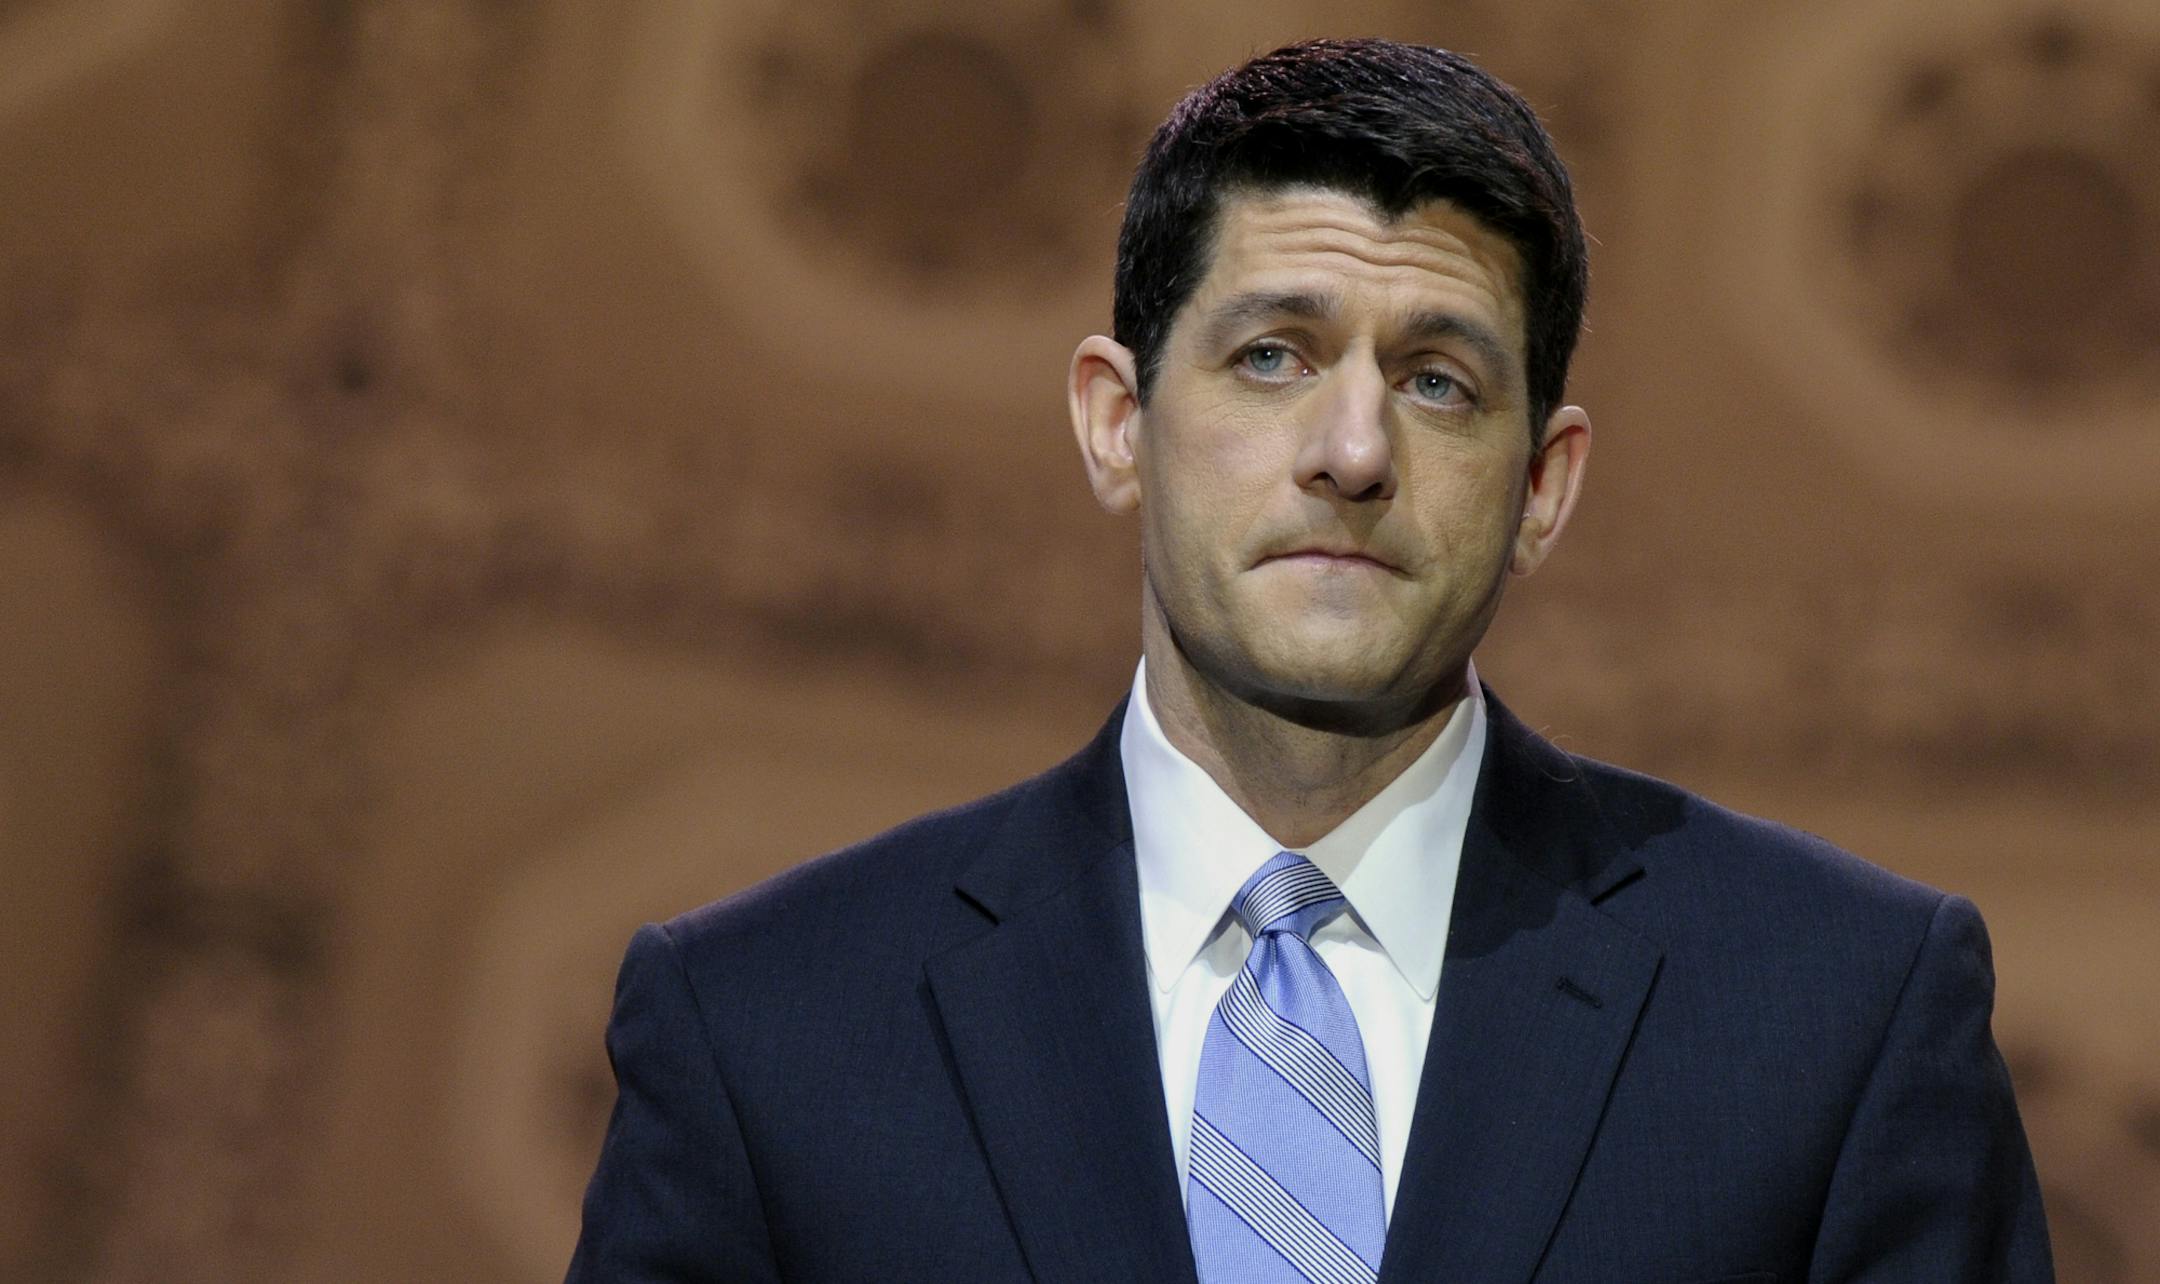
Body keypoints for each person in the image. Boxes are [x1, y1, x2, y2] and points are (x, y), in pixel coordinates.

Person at [567, 37, 2052, 1283]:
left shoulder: (1839, 1016)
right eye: (1273, 354)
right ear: (1112, 421)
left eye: (1438, 380)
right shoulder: (766, 1027)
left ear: (1543, 487)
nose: (1353, 453)